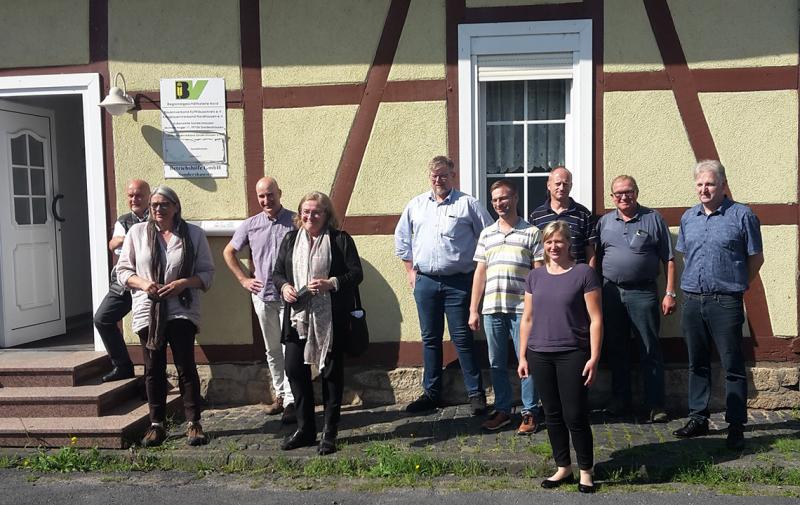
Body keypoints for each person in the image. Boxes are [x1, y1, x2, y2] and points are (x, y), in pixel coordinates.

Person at [673, 160, 763, 450]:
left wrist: (736, 284)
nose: (704, 189)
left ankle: (735, 425)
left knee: (732, 366)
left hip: (726, 302)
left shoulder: (742, 216)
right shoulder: (689, 218)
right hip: (693, 301)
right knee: (697, 363)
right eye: (699, 184)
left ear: (723, 185)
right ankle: (698, 418)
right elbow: (686, 256)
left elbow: (755, 258)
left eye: (709, 184)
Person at [116, 186, 215, 447]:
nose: (158, 209)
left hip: (182, 308)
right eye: (154, 205)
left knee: (185, 366)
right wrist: (143, 283)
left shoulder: (193, 234)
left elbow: (207, 273)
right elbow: (123, 270)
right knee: (153, 368)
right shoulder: (137, 233)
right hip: (149, 309)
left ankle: (194, 422)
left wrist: (183, 283)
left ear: (176, 206)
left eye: (164, 204)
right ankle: (156, 424)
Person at [395, 155, 493, 415]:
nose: (438, 180)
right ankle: (431, 393)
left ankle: (475, 394)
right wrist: (410, 271)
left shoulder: (467, 204)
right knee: (430, 339)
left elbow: (489, 235)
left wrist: (480, 272)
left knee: (462, 338)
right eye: (434, 176)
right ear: (430, 177)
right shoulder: (416, 205)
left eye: (443, 175)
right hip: (425, 282)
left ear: (453, 176)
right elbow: (402, 239)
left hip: (459, 283)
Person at [273, 191, 363, 456]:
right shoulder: (291, 239)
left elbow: (356, 274)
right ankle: (305, 429)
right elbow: (277, 273)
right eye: (306, 211)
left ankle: (329, 432)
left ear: (326, 215)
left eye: (316, 212)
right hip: (297, 317)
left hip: (330, 319)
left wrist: (331, 283)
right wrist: (285, 287)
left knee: (331, 375)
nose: (310, 216)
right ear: (299, 214)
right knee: (293, 369)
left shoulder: (340, 240)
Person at [517, 220, 602, 493]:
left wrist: (594, 357)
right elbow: (527, 318)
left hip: (573, 353)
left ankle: (586, 471)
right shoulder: (535, 276)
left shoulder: (583, 274)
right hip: (539, 353)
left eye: (559, 241)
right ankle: (563, 467)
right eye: (549, 242)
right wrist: (522, 356)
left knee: (575, 414)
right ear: (544, 245)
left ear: (568, 244)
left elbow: (596, 319)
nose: (554, 246)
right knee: (552, 414)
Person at [595, 175, 676, 422]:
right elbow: (595, 258)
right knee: (616, 348)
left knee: (649, 348)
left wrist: (670, 292)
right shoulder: (605, 222)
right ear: (612, 197)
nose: (623, 196)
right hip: (611, 293)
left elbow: (669, 260)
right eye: (618, 193)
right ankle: (621, 400)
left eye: (628, 191)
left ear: (637, 192)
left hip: (643, 293)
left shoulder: (654, 219)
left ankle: (655, 404)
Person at [469, 179, 544, 434]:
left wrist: (540, 307)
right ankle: (502, 409)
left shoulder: (532, 232)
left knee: (527, 361)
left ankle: (529, 411)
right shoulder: (486, 234)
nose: (499, 203)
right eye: (495, 200)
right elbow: (480, 272)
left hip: (522, 309)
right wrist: (473, 309)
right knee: (496, 363)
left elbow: (539, 273)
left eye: (504, 198)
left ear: (515, 198)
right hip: (492, 308)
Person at [223, 176, 296, 424]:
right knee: (273, 349)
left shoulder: (295, 222)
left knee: (291, 349)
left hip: (289, 297)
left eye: (271, 194)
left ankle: (292, 401)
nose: (267, 200)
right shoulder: (250, 225)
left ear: (280, 193)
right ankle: (280, 395)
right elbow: (229, 252)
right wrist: (244, 280)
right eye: (262, 196)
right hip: (263, 296)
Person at [93, 179, 150, 382]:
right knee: (102, 319)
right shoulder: (123, 220)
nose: (134, 199)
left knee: (148, 328)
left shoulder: (158, 215)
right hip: (125, 281)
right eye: (131, 195)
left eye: (139, 195)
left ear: (149, 196)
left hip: (150, 281)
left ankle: (152, 378)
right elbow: (114, 244)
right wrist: (130, 238)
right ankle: (123, 366)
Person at [529, 166, 596, 266]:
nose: (561, 188)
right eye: (557, 184)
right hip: (547, 277)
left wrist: (590, 276)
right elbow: (533, 252)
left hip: (576, 276)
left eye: (565, 184)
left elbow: (590, 251)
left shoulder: (583, 214)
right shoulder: (536, 216)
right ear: (548, 185)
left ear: (571, 186)